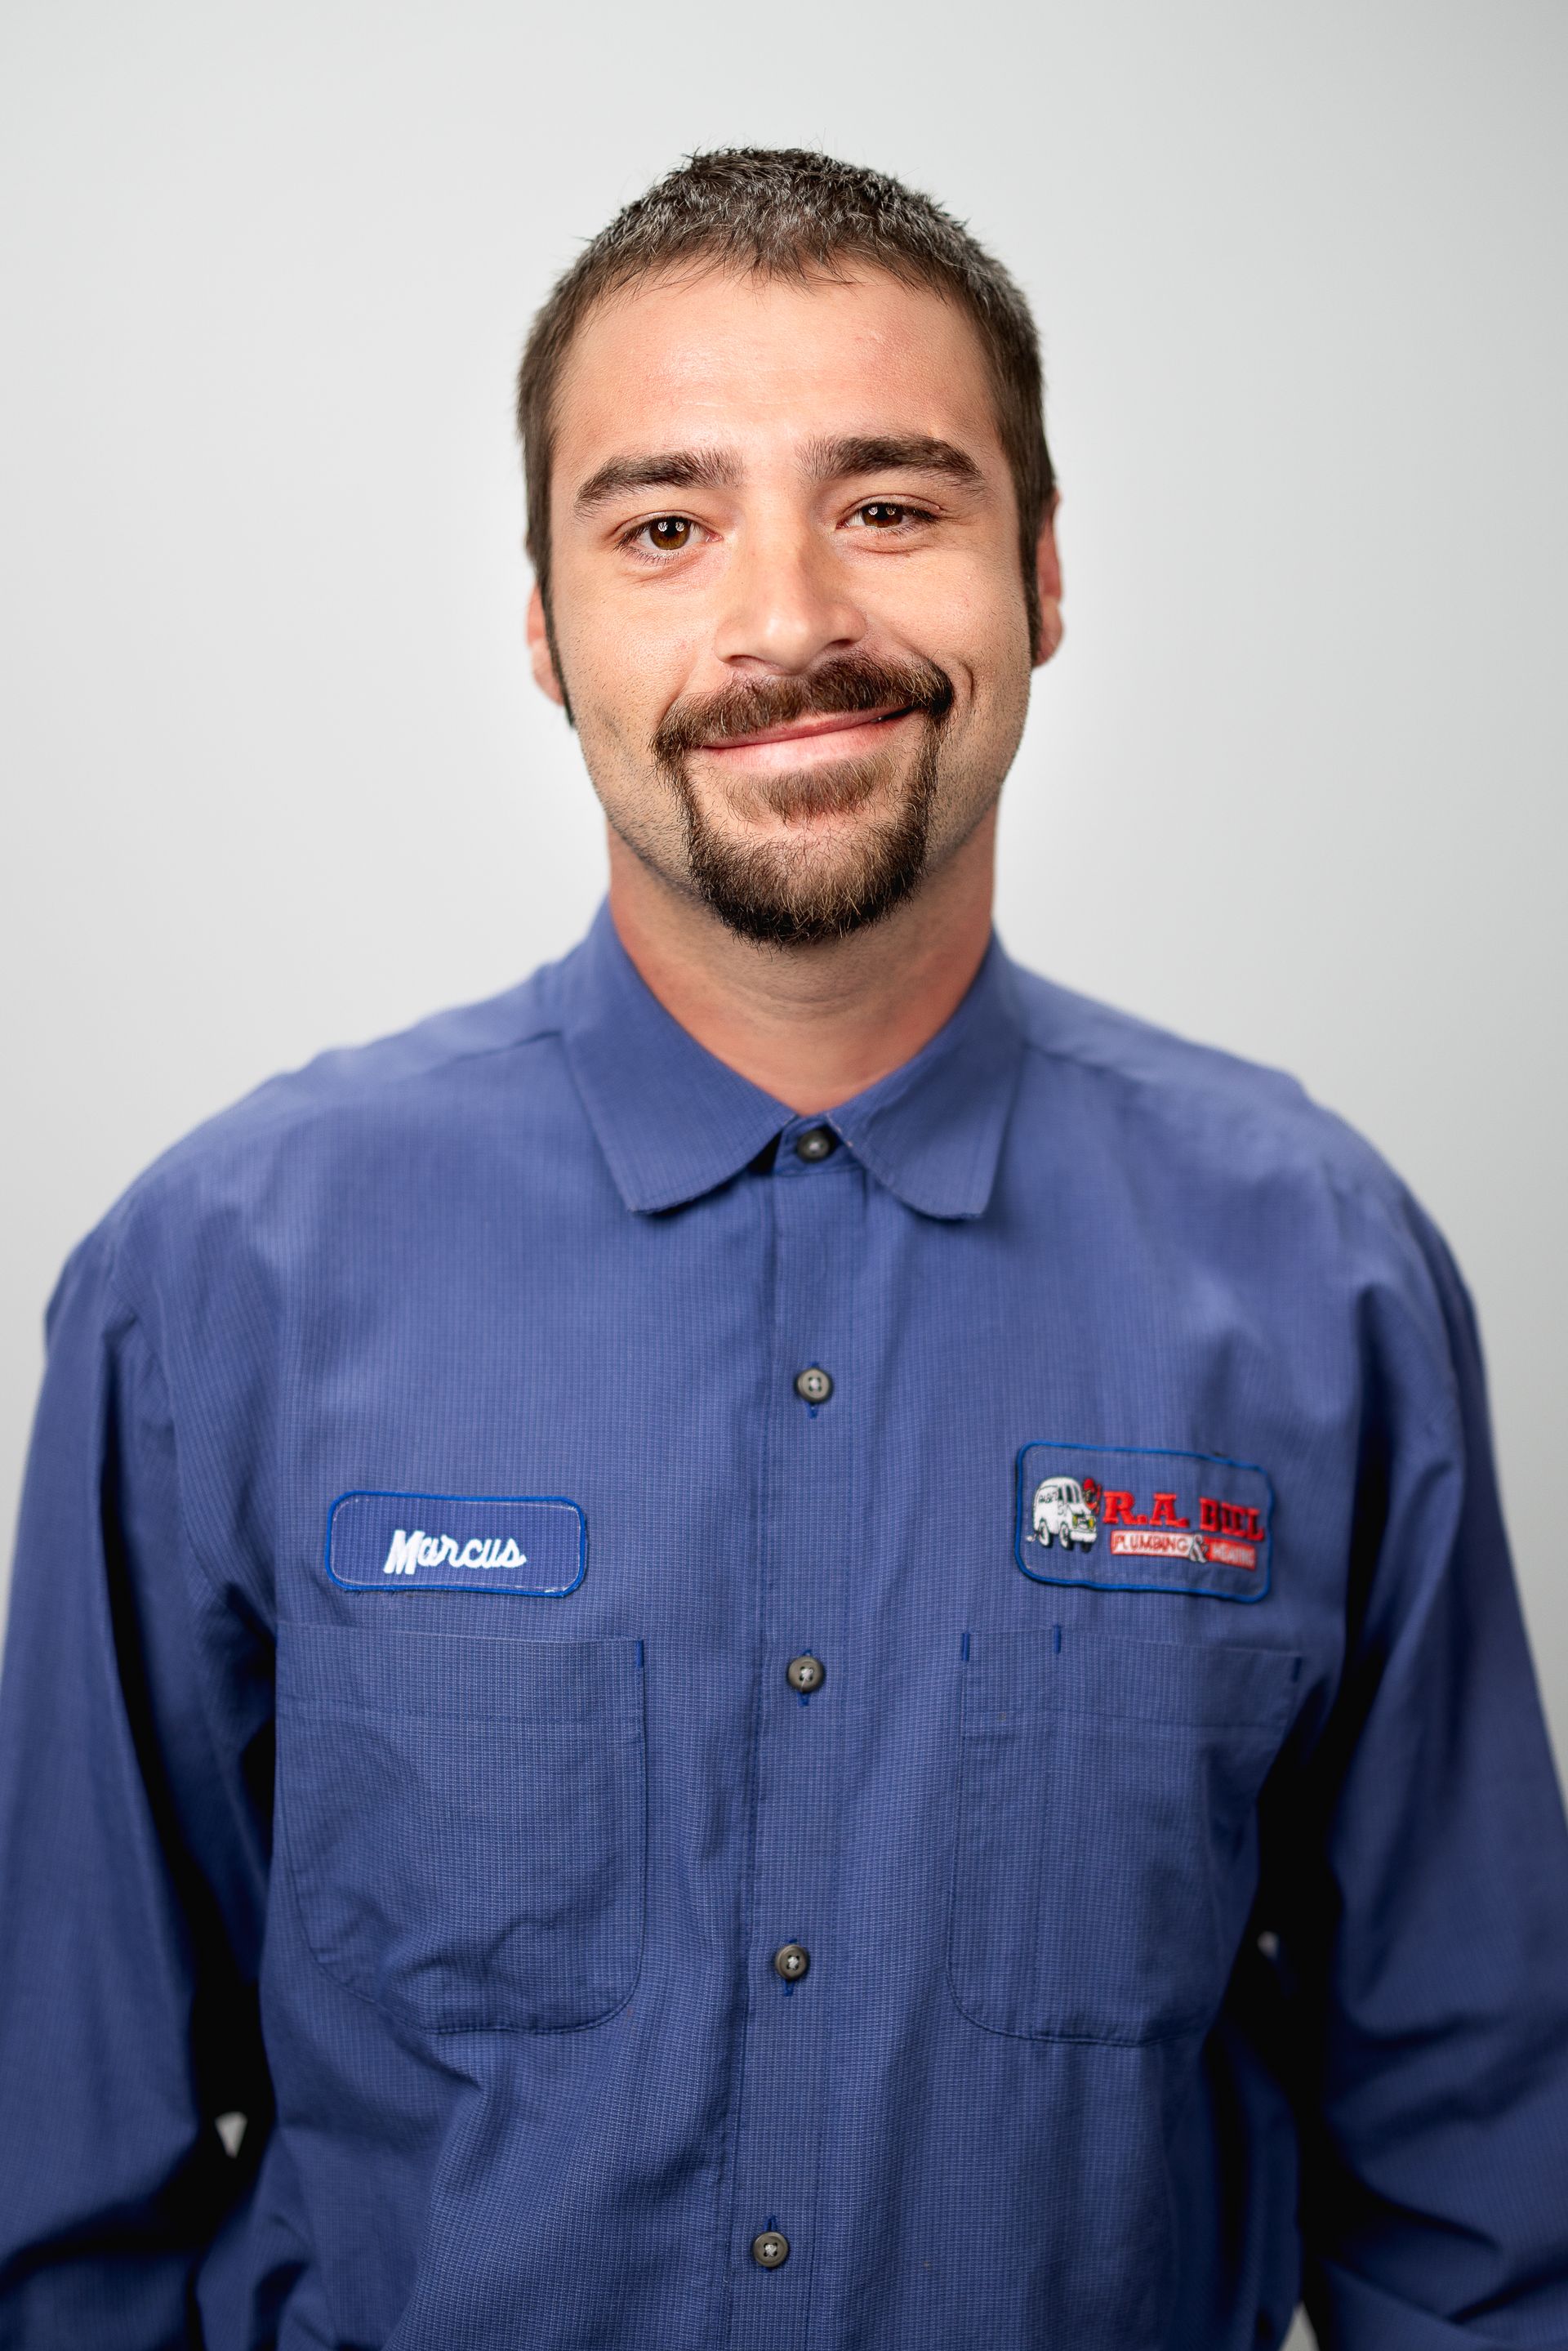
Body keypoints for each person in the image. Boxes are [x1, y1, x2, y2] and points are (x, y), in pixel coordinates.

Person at [1, 147, 1565, 2351]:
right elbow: (53, 2185)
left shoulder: (1323, 1280)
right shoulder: (214, 1286)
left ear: (1040, 575)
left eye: (892, 505)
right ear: (543, 625)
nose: (785, 620)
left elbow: (1486, 2203)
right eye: (664, 526)